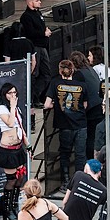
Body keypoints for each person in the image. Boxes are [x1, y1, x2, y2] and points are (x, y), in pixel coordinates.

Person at [44, 59, 88, 191]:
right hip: (80, 124)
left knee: (65, 154)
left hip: (64, 125)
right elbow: (85, 105)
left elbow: (46, 104)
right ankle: (80, 181)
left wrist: (56, 106)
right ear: (72, 71)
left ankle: (66, 181)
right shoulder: (82, 86)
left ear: (59, 71)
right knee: (80, 154)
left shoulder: (55, 83)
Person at [0, 83, 29, 220]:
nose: (13, 95)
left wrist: (28, 146)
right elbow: (9, 123)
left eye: (14, 92)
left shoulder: (16, 109)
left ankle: (14, 204)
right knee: (12, 179)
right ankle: (7, 208)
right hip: (7, 150)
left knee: (20, 178)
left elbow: (20, 127)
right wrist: (13, 106)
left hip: (18, 147)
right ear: (4, 95)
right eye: (10, 93)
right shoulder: (2, 109)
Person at [21, 0, 52, 106]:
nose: (40, 2)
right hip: (35, 47)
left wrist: (46, 31)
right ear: (30, 2)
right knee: (35, 73)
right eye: (37, 1)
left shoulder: (38, 13)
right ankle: (33, 99)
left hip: (43, 46)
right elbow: (29, 33)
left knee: (47, 74)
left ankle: (37, 95)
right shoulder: (26, 16)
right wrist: (43, 33)